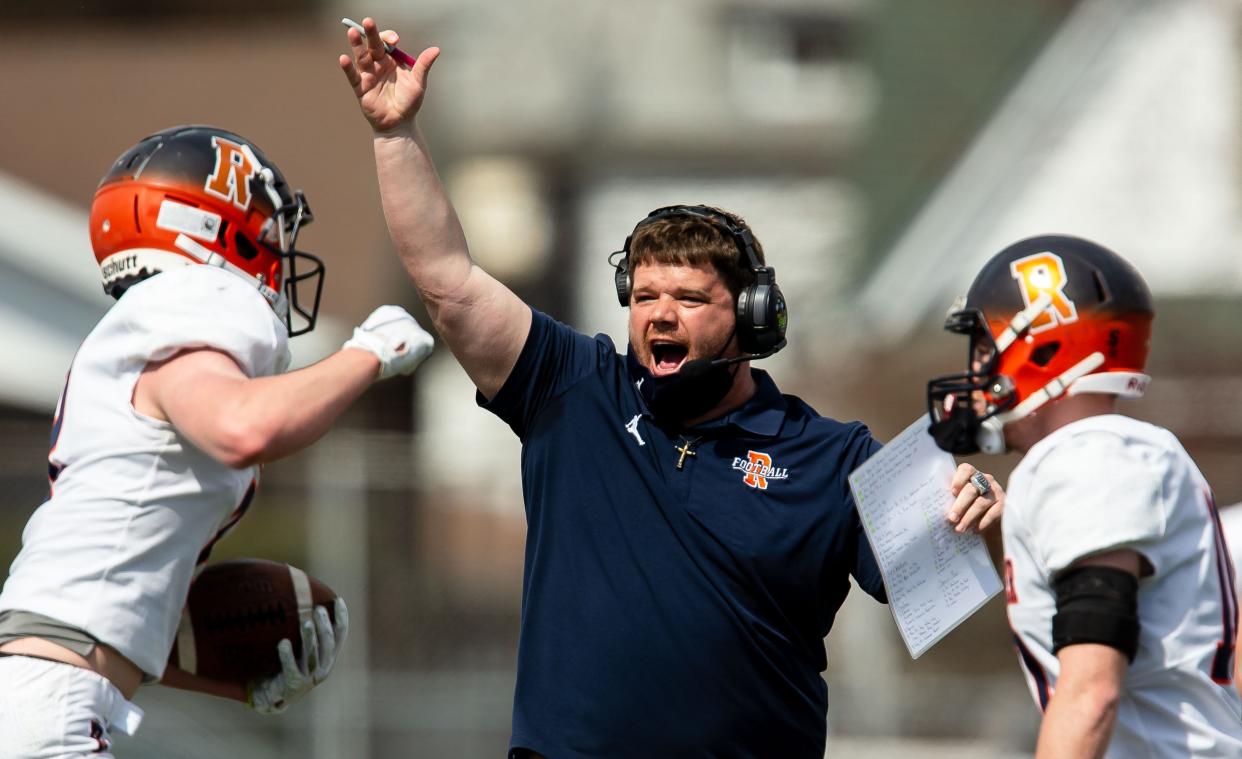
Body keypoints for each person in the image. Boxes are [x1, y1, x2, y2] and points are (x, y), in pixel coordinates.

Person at [339, 18, 1005, 758]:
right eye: (644, 296)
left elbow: (949, 583)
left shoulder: (830, 453)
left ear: (752, 317)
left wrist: (977, 513)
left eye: (687, 298)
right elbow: (448, 283)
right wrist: (395, 134)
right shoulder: (575, 388)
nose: (658, 313)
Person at [0, 125, 434, 757]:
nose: (275, 248)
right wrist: (369, 354)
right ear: (210, 225)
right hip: (52, 701)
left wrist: (232, 681)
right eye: (263, 223)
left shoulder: (149, 327)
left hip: (41, 690)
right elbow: (242, 428)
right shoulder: (200, 294)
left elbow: (92, 610)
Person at [927, 235, 1242, 758]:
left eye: (985, 349)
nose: (977, 371)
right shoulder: (1105, 454)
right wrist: (1022, 521)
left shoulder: (1087, 458)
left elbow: (1092, 691)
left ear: (1044, 347)